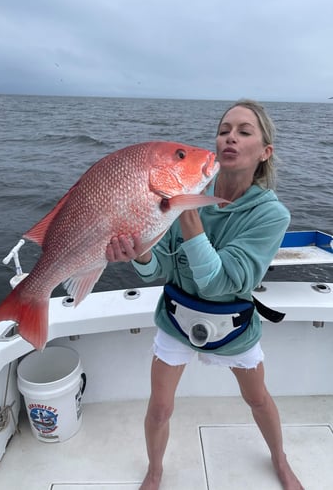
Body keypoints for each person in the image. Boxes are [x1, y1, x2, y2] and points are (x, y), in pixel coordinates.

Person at [106, 99, 304, 490]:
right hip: (176, 316)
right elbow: (159, 269)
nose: (230, 137)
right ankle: (155, 469)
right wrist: (141, 252)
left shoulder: (271, 215)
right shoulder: (183, 190)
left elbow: (223, 282)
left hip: (233, 323)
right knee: (160, 407)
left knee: (258, 399)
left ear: (265, 152)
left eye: (244, 131)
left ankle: (280, 459)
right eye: (224, 129)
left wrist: (187, 212)